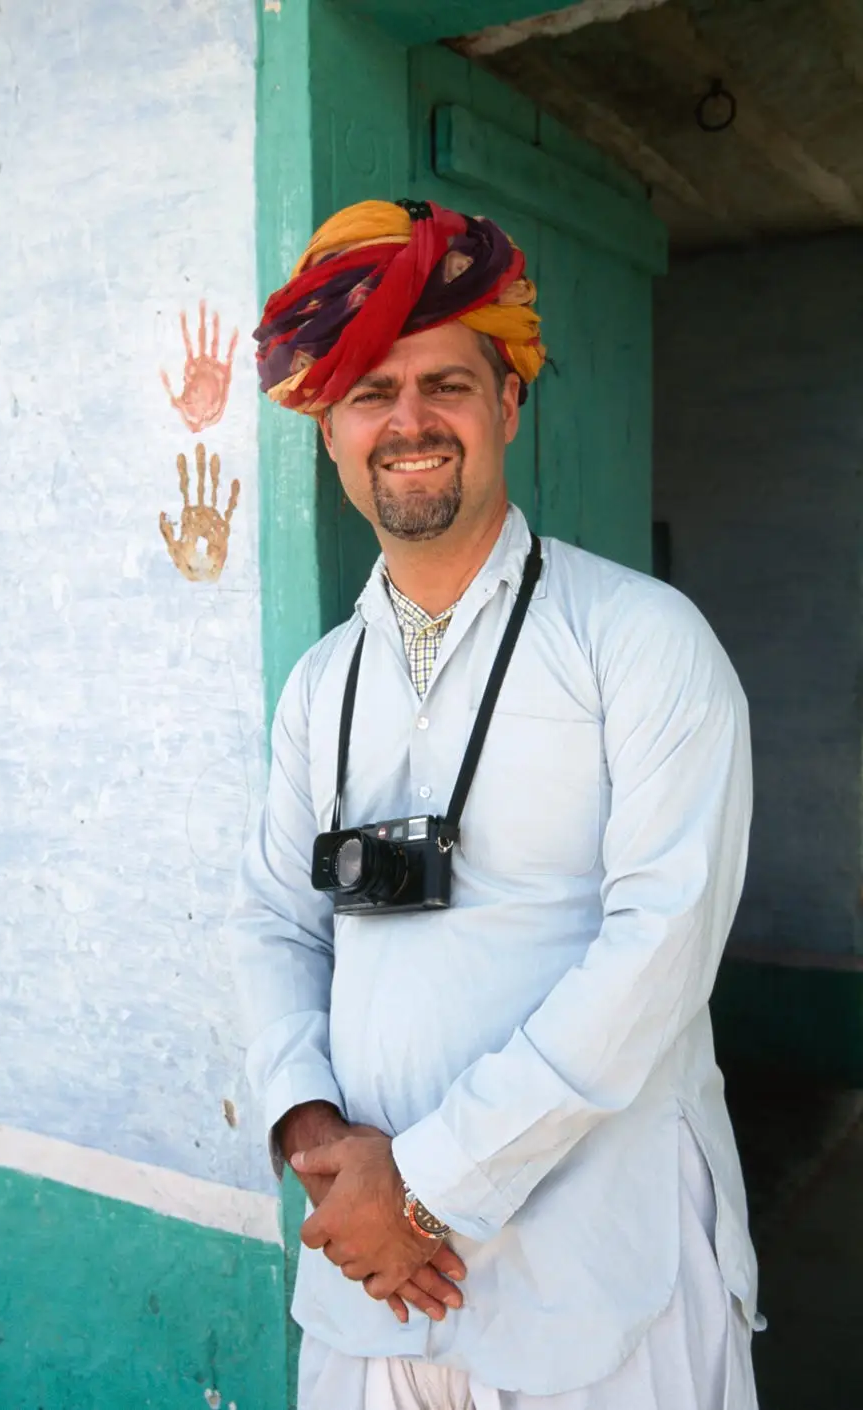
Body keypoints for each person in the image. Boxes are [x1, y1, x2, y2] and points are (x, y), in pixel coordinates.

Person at [228, 198, 760, 1410]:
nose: (407, 421)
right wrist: (317, 1144)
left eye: (446, 385)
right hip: (370, 1283)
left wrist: (423, 1182)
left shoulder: (636, 640)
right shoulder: (321, 686)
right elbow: (271, 922)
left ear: (508, 403)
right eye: (370, 392)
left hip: (602, 1284)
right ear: (328, 427)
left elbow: (658, 953)